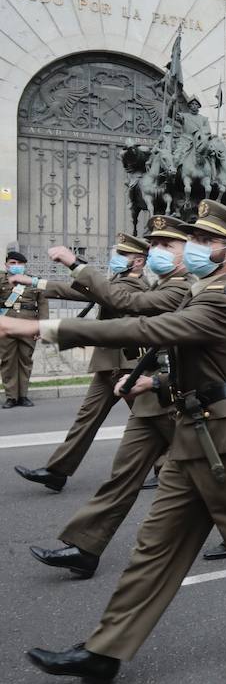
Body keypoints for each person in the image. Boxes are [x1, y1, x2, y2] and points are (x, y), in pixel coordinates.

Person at [16, 199, 226, 684]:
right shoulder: (201, 291)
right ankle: (103, 652)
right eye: (189, 239)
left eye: (202, 241)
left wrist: (45, 327)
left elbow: (145, 327)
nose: (190, 248)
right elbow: (183, 348)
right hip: (194, 430)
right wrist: (161, 383)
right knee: (154, 547)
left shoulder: (219, 298)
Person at [28, 215, 194, 578]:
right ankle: (85, 547)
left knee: (216, 487)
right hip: (148, 385)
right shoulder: (160, 285)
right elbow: (98, 298)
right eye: (154, 245)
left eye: (167, 246)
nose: (156, 252)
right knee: (122, 474)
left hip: (170, 391)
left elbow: (121, 311)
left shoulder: (181, 288)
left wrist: (74, 266)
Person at [13, 234, 149, 490]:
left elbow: (99, 294)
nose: (115, 258)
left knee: (151, 418)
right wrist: (35, 281)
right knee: (86, 419)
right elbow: (81, 290)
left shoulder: (135, 286)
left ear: (139, 261)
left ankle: (168, 467)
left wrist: (66, 268)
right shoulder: (118, 280)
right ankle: (58, 471)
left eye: (122, 255)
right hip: (109, 363)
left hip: (129, 364)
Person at [2, 249, 46, 408]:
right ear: (6, 265)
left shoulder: (34, 281)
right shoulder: (1, 280)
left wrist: (42, 327)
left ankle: (23, 396)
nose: (16, 266)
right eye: (12, 263)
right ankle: (11, 397)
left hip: (29, 326)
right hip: (6, 325)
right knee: (8, 361)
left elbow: (42, 304)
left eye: (19, 263)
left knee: (25, 360)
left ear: (25, 265)